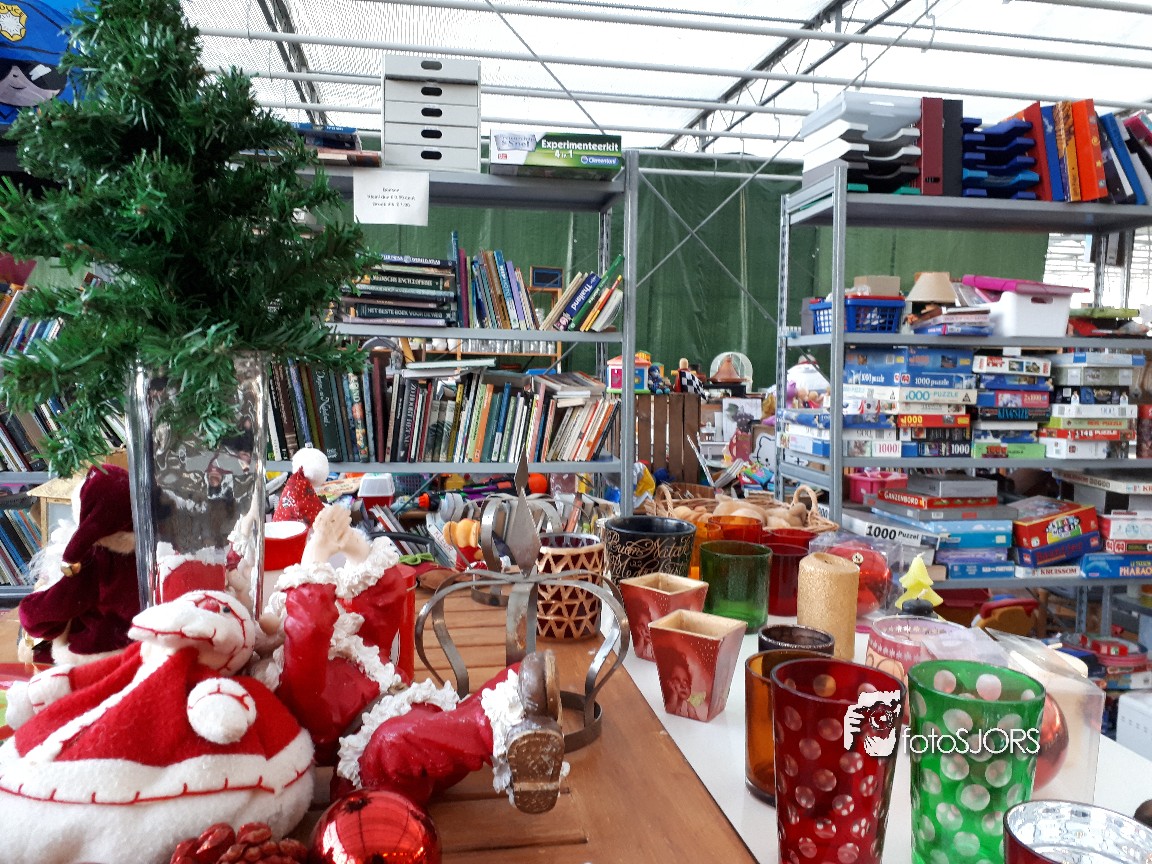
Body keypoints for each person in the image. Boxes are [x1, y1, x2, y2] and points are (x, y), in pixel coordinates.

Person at [655, 644, 706, 721]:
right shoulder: (671, 702)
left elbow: (694, 718)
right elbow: (670, 710)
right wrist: (674, 694)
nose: (683, 686)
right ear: (669, 683)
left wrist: (691, 711)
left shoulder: (689, 705)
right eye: (677, 680)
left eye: (686, 682)